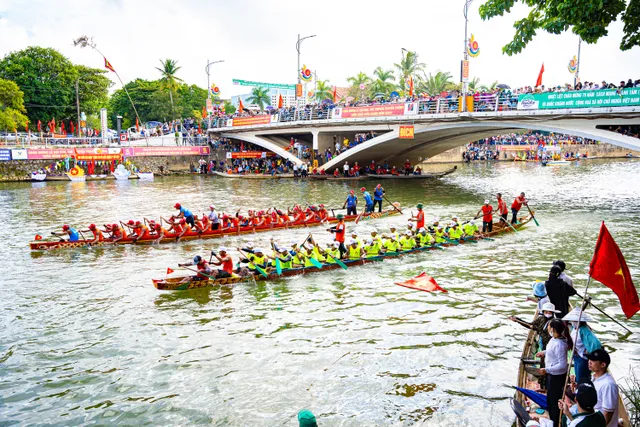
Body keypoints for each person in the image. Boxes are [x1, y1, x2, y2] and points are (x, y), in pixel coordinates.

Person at [536, 319, 572, 427]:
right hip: (551, 375)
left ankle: (555, 422)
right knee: (550, 399)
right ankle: (552, 419)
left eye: (549, 326)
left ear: (553, 329)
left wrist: (547, 370)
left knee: (554, 402)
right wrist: (544, 353)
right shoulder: (554, 339)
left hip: (556, 377)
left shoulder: (560, 345)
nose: (547, 328)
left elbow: (562, 366)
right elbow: (552, 351)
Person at [563, 308, 602, 385]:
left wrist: (587, 353)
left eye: (574, 321)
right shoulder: (575, 329)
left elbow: (595, 344)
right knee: (578, 379)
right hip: (577, 356)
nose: (572, 322)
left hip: (583, 358)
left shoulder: (584, 330)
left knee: (582, 379)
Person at [586, 349, 619, 427]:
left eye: (593, 360)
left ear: (603, 365)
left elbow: (607, 414)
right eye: (589, 359)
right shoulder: (594, 377)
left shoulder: (608, 385)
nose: (589, 362)